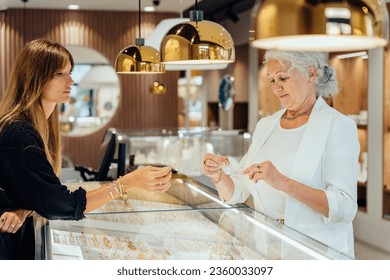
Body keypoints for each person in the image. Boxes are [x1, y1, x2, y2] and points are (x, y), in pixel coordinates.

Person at [0, 39, 172, 260]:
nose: (71, 80)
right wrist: (128, 182)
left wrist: (26, 207)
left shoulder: (39, 126)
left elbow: (39, 192)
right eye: (59, 74)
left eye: (70, 72)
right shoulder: (19, 133)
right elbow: (60, 205)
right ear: (36, 77)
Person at [203, 50, 359, 257]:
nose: (276, 88)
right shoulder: (266, 125)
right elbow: (239, 190)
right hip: (266, 245)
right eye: (272, 80)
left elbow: (345, 207)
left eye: (283, 78)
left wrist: (283, 183)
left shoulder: (339, 126)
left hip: (314, 252)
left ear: (311, 75)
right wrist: (219, 176)